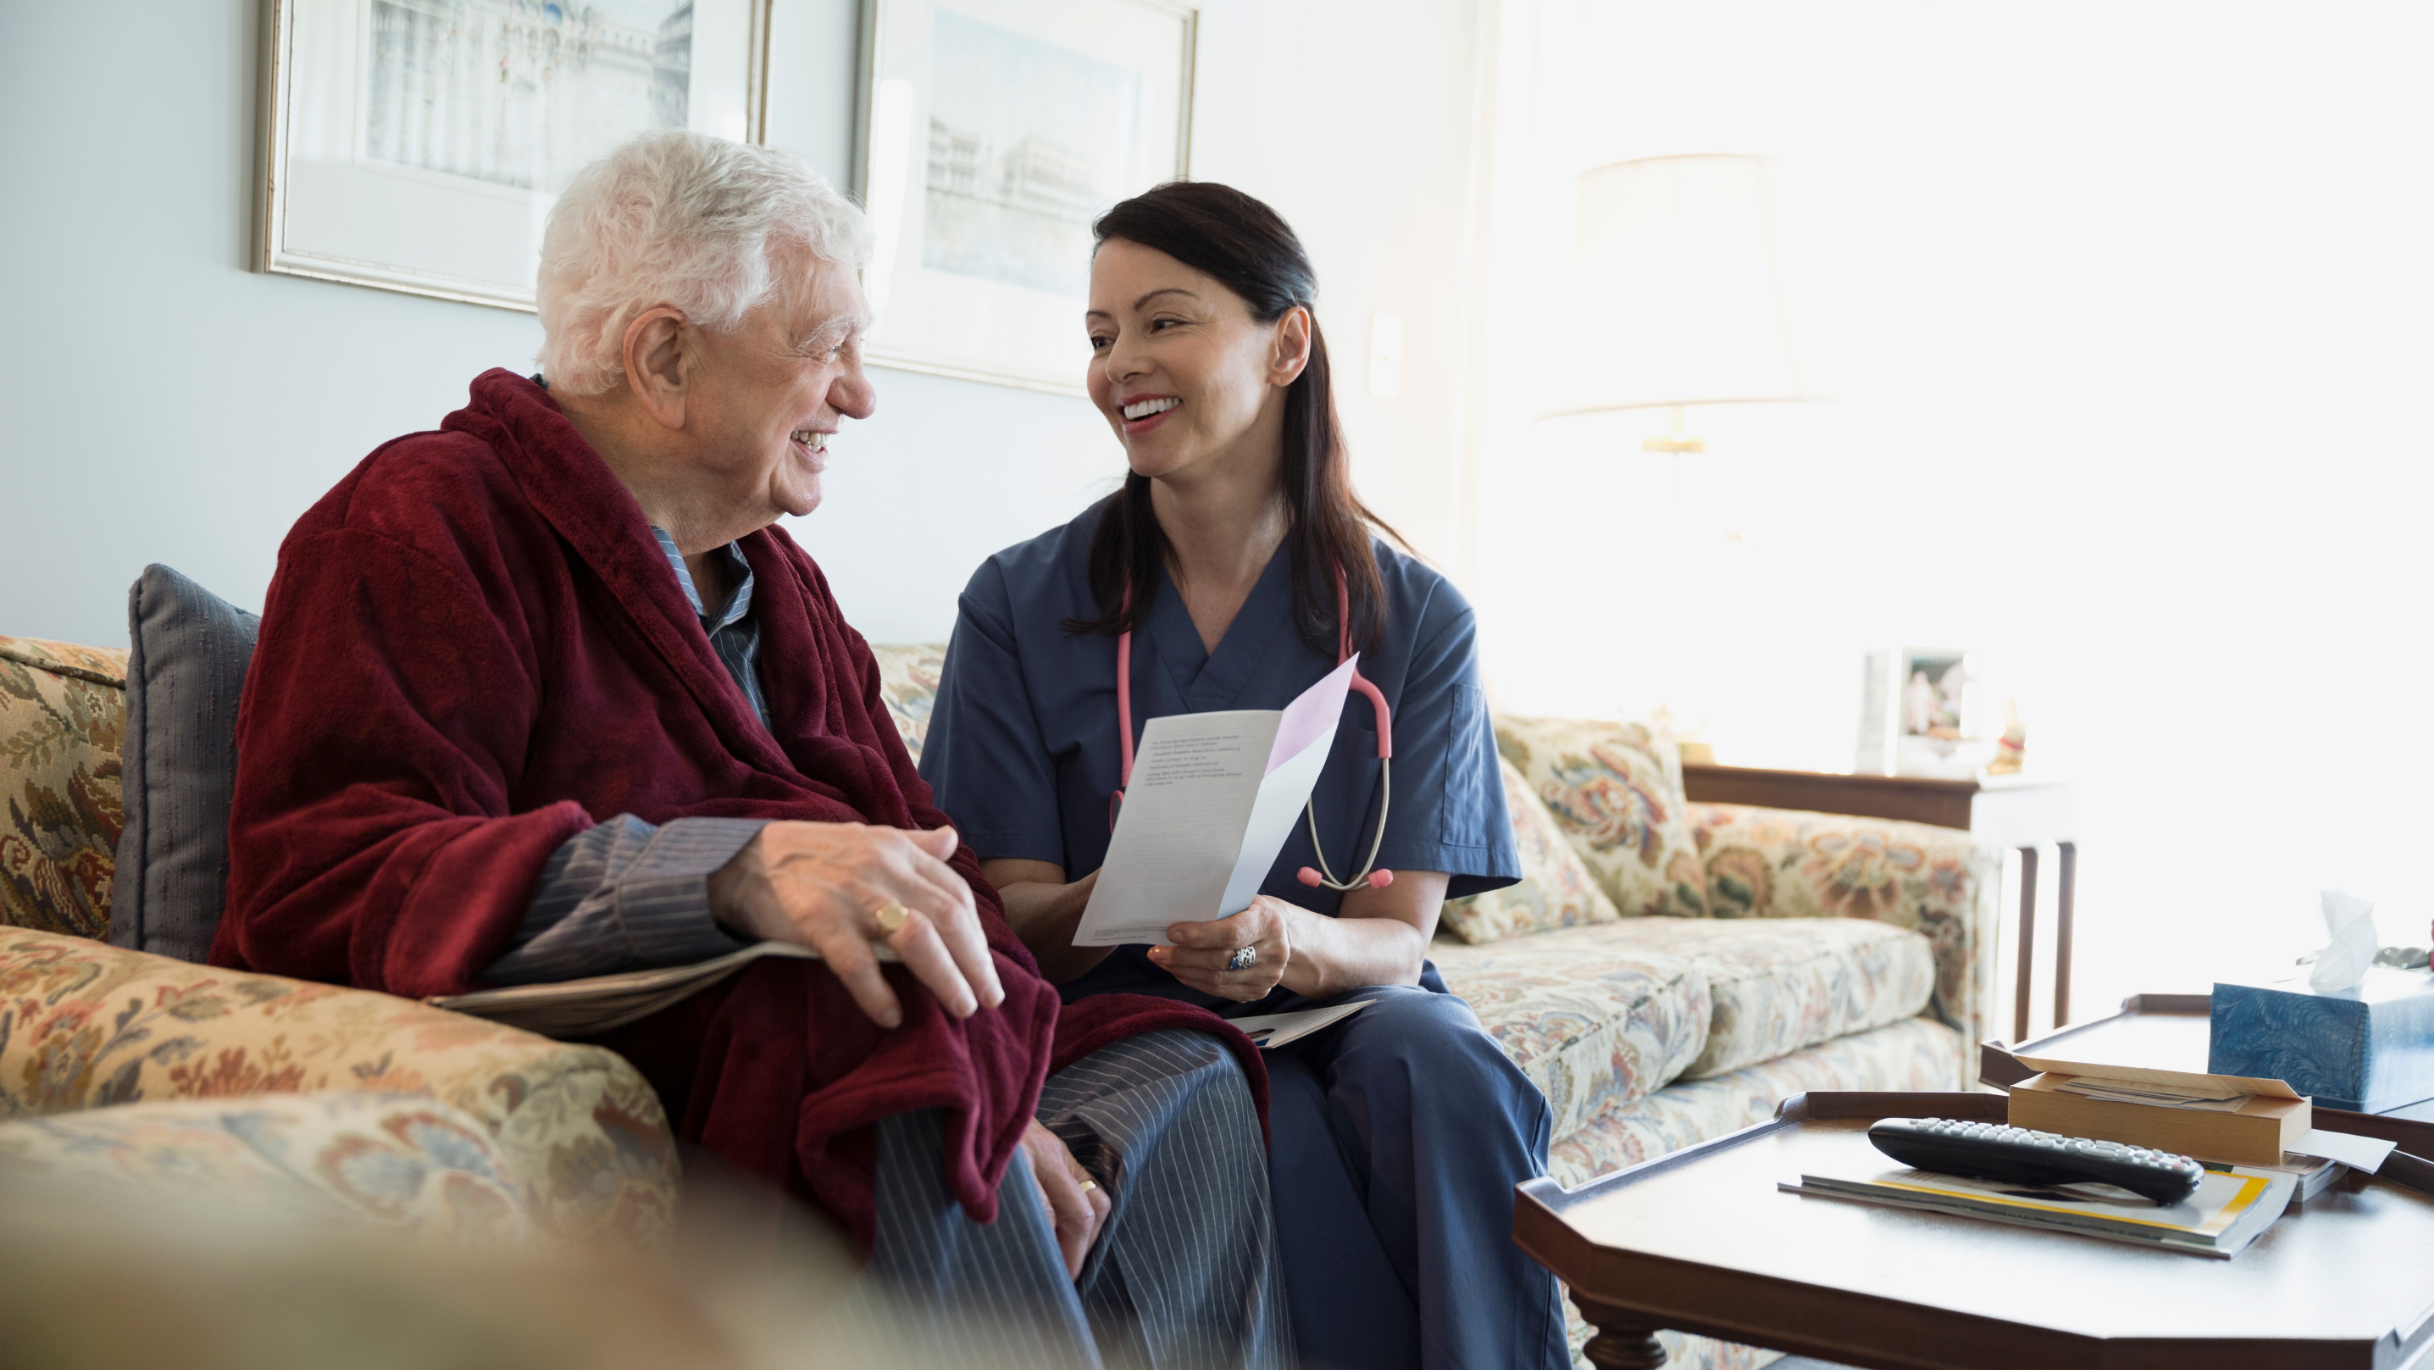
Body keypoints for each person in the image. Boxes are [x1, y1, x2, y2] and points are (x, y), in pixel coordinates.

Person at [211, 132, 1290, 1370]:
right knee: (873, 1004)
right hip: (614, 1020)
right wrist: (729, 872)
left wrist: (998, 1091)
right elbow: (328, 869)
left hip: (853, 1046)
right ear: (664, 356)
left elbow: (918, 854)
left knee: (1176, 1057)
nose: (862, 392)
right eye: (826, 344)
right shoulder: (417, 523)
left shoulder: (788, 593)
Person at [919, 181, 1571, 1370]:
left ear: (1287, 343)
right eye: (1100, 334)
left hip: (1346, 1000)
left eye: (1164, 320)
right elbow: (1006, 924)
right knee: (1276, 1126)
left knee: (1443, 1066)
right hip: (1121, 1008)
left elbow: (1393, 932)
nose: (1123, 363)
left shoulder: (1415, 618)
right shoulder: (1017, 603)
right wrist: (1129, 889)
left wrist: (1287, 940)